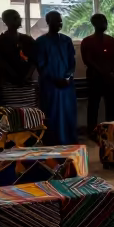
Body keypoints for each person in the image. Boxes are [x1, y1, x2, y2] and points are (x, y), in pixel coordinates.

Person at [31, 10, 76, 144]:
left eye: (61, 21)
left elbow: (72, 62)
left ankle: (69, 140)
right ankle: (53, 141)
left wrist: (68, 77)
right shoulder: (40, 41)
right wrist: (54, 79)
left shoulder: (66, 40)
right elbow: (40, 65)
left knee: (67, 112)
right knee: (52, 113)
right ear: (48, 22)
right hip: (50, 85)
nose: (59, 23)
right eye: (56, 20)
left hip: (66, 85)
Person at [80, 13, 114, 132]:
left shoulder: (112, 41)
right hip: (95, 78)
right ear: (94, 24)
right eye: (101, 21)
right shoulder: (87, 41)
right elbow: (87, 60)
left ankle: (111, 131)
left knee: (111, 107)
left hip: (110, 79)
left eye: (105, 21)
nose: (105, 23)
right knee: (93, 106)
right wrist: (102, 72)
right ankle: (92, 131)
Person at [0, 9, 37, 107]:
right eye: (15, 18)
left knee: (28, 114)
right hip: (8, 85)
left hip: (27, 85)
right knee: (12, 114)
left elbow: (35, 60)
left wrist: (27, 76)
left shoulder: (28, 40)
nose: (19, 20)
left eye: (19, 17)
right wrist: (15, 77)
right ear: (6, 21)